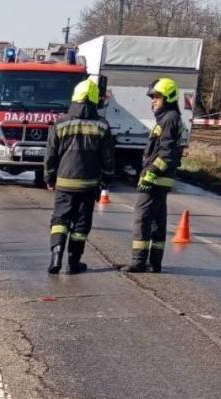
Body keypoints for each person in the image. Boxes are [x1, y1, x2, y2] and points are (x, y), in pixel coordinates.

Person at [45, 79, 115, 275]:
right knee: (81, 224)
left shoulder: (60, 123)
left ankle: (56, 258)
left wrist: (50, 177)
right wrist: (106, 179)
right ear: (94, 99)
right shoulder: (102, 125)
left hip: (64, 183)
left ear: (75, 97)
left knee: (60, 220)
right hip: (88, 184)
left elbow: (50, 154)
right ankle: (73, 263)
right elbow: (108, 157)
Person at [121, 78, 183, 273]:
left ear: (169, 97)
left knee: (143, 218)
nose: (153, 101)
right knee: (157, 221)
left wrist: (150, 175)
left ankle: (138, 262)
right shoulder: (168, 118)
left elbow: (166, 154)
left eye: (157, 97)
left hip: (155, 179)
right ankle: (154, 262)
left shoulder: (169, 119)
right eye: (153, 98)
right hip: (161, 180)